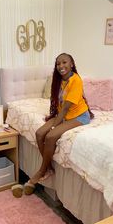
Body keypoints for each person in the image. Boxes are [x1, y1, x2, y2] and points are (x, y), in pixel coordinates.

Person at [29, 53, 93, 185]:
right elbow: (59, 106)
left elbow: (65, 109)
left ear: (71, 64)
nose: (61, 66)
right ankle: (49, 168)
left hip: (78, 116)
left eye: (64, 62)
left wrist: (54, 126)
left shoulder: (76, 80)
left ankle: (42, 170)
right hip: (62, 115)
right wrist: (56, 120)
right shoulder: (58, 79)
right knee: (39, 133)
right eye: (58, 64)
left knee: (50, 136)